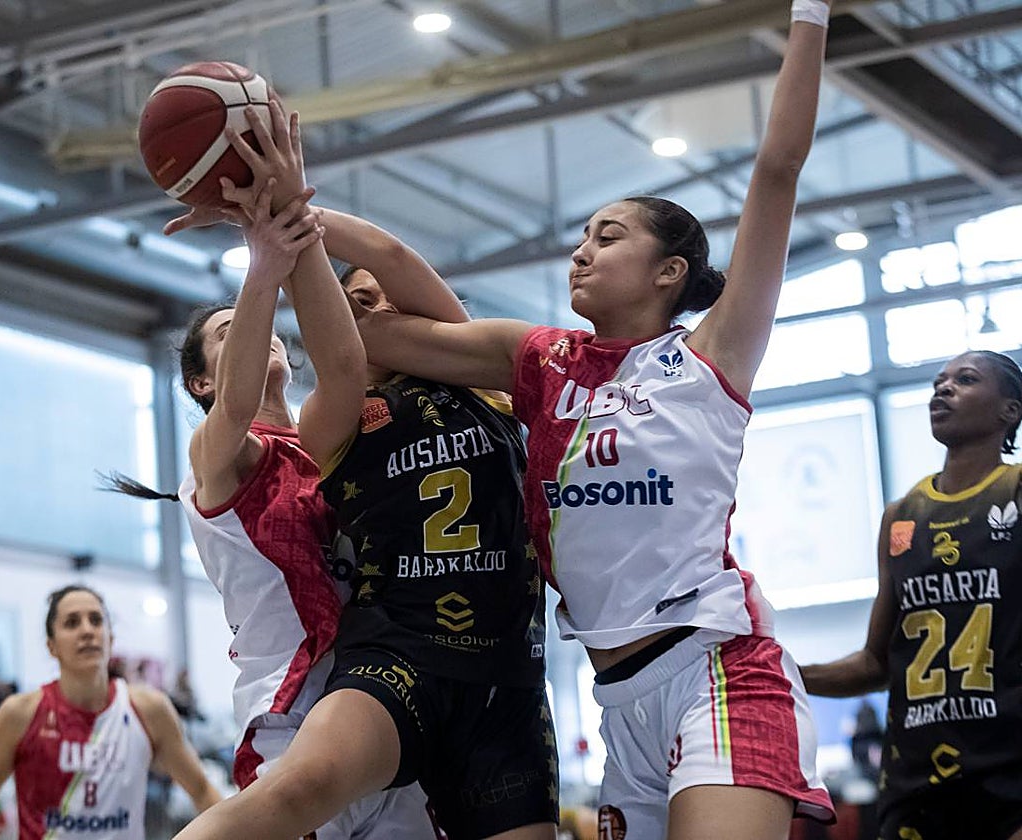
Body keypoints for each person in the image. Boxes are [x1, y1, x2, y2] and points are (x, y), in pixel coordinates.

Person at [333, 2, 838, 837]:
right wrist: (288, 221)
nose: (581, 250)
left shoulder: (713, 354)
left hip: (717, 669)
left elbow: (778, 168)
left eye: (607, 237)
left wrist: (811, 15)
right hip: (618, 703)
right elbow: (379, 324)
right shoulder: (540, 359)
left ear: (669, 271)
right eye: (580, 238)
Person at [169, 102, 557, 840]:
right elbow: (323, 365)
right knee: (286, 801)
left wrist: (289, 201)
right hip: (338, 687)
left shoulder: (476, 376)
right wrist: (268, 262)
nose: (368, 308)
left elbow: (394, 261)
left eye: (374, 297)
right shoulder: (308, 431)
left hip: (482, 673)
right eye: (350, 305)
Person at [108, 144, 438, 837]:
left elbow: (345, 367)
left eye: (257, 326)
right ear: (200, 381)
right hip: (291, 707)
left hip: (377, 694)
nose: (256, 334)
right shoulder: (212, 456)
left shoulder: (320, 444)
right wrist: (260, 272)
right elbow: (232, 410)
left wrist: (294, 228)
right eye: (230, 334)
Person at [802, 350, 1022, 840]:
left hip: (1009, 776)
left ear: (1010, 410)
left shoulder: (1016, 490)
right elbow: (876, 664)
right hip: (915, 784)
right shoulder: (901, 515)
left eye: (965, 380)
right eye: (938, 382)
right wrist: (782, 672)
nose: (943, 389)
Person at [0, 585, 222, 840]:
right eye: (71, 623)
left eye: (96, 620)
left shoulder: (150, 709)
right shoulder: (20, 713)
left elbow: (201, 790)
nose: (87, 630)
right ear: (51, 646)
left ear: (110, 639)